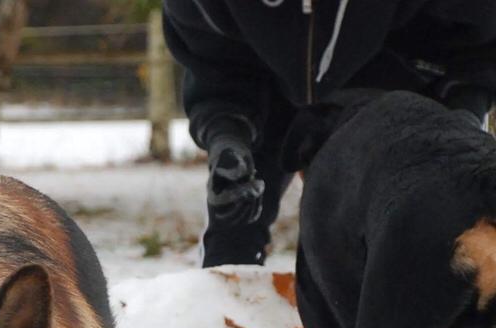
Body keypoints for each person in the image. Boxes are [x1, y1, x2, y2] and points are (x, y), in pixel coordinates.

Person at [163, 0, 496, 267]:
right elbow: (213, 61)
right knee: (233, 228)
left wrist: (461, 118)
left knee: (419, 242)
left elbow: (476, 43)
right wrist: (226, 136)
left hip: (395, 73)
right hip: (260, 80)